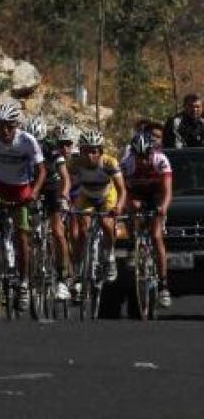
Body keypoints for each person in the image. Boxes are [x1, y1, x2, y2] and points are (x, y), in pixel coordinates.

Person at [0, 99, 46, 312]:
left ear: (17, 125)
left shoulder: (28, 141)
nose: (5, 131)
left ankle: (23, 284)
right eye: (1, 125)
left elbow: (42, 172)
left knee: (22, 238)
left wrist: (34, 193)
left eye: (10, 126)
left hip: (20, 189)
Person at [120, 131, 173, 308]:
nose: (142, 160)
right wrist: (129, 203)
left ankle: (164, 285)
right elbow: (122, 190)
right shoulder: (126, 163)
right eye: (139, 156)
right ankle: (132, 244)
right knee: (131, 212)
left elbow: (167, 191)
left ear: (152, 152)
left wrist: (162, 208)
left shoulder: (161, 161)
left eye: (146, 156)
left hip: (156, 196)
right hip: (136, 194)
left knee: (156, 236)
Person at [68, 128, 125, 291]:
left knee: (106, 224)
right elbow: (67, 185)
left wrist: (118, 206)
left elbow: (122, 190)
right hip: (86, 195)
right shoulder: (76, 163)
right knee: (82, 231)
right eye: (85, 151)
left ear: (100, 151)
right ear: (81, 151)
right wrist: (65, 201)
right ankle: (78, 272)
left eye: (94, 151)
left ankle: (110, 257)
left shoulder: (110, 163)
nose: (89, 156)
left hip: (107, 195)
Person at [24, 116, 71, 302]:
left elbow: (65, 177)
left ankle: (62, 279)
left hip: (52, 187)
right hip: (31, 185)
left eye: (39, 141)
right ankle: (25, 276)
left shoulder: (52, 148)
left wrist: (64, 197)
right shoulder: (23, 147)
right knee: (25, 231)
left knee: (58, 232)